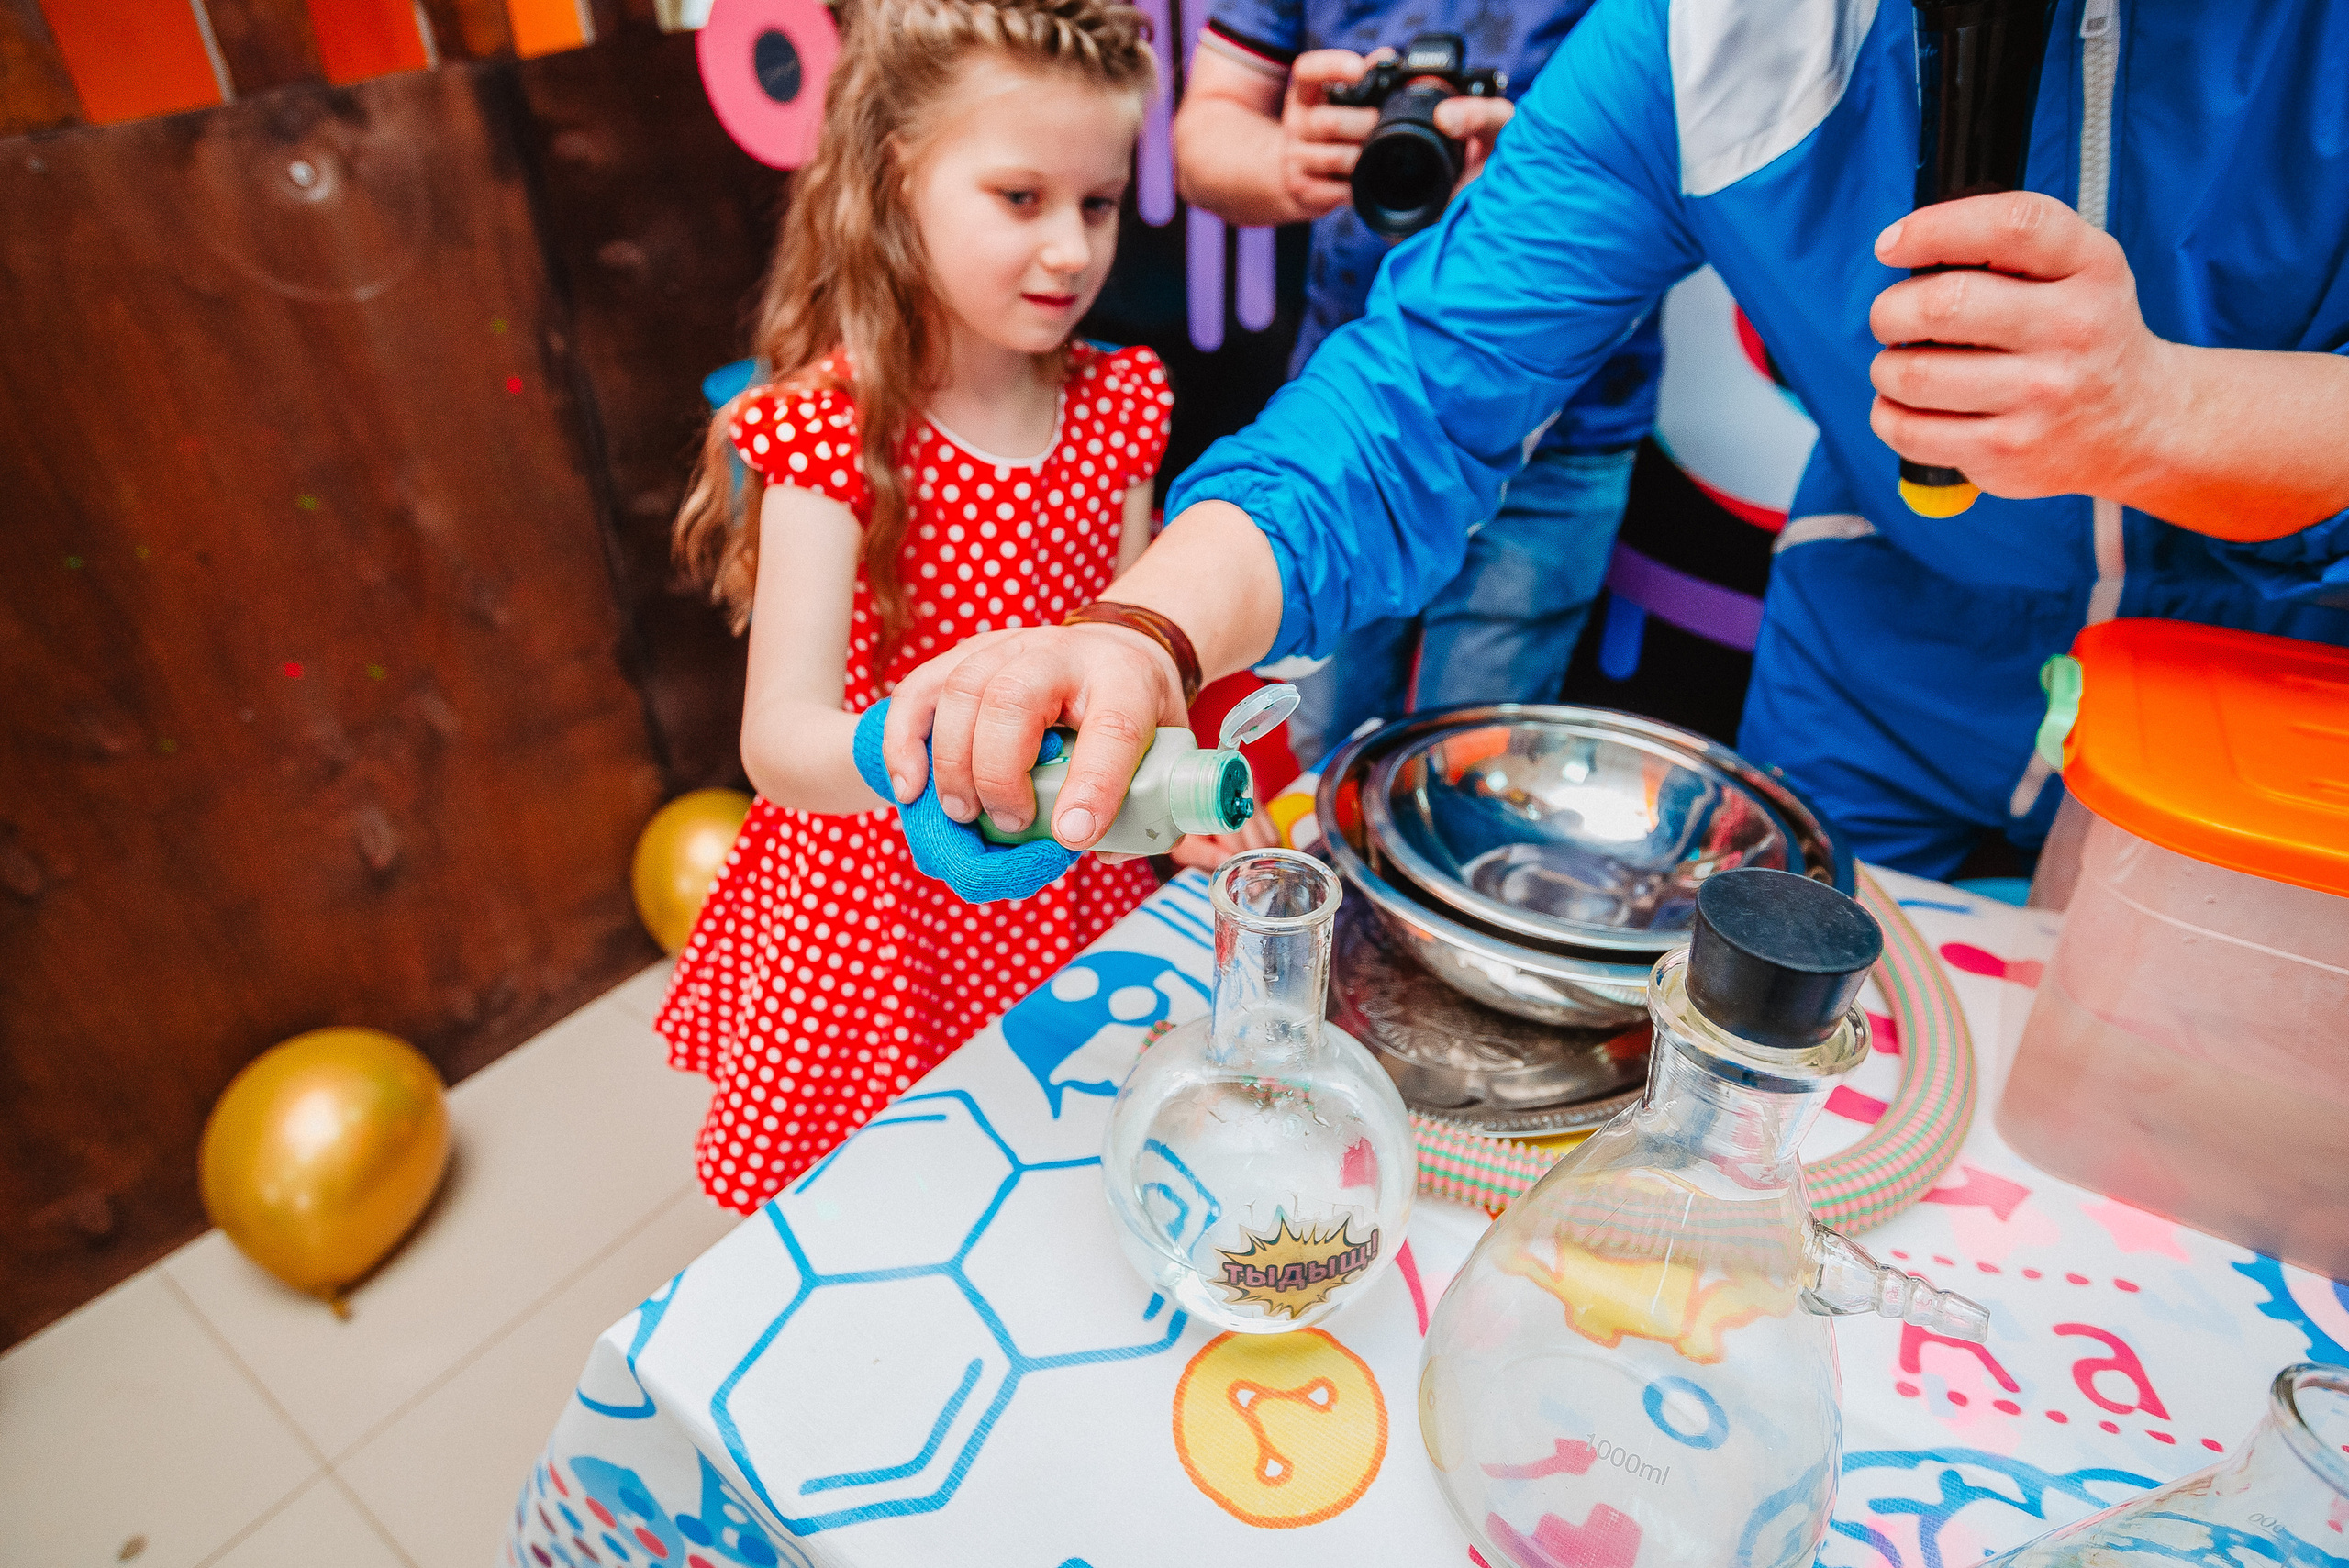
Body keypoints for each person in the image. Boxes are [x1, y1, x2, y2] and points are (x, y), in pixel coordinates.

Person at [876, 0, 2349, 884]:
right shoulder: (1702, 42)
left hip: (2279, 697)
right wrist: (1144, 630)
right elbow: (1414, 393)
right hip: (1877, 660)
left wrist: (2168, 415)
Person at [653, 0, 1170, 1211]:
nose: (1071, 250)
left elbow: (1130, 651)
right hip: (876, 907)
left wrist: (1172, 790)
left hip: (1055, 871)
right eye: (1020, 198)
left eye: (1098, 204)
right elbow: (780, 740)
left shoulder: (1123, 402)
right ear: (898, 180)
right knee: (882, 1194)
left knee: (1046, 1171)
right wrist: (919, 738)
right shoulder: (829, 431)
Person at [1174, 1, 1661, 764]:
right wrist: (1288, 161)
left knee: (1480, 758)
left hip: (1560, 431)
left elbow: (1690, 157)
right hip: (1351, 414)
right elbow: (1209, 128)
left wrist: (1542, 185)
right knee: (1325, 740)